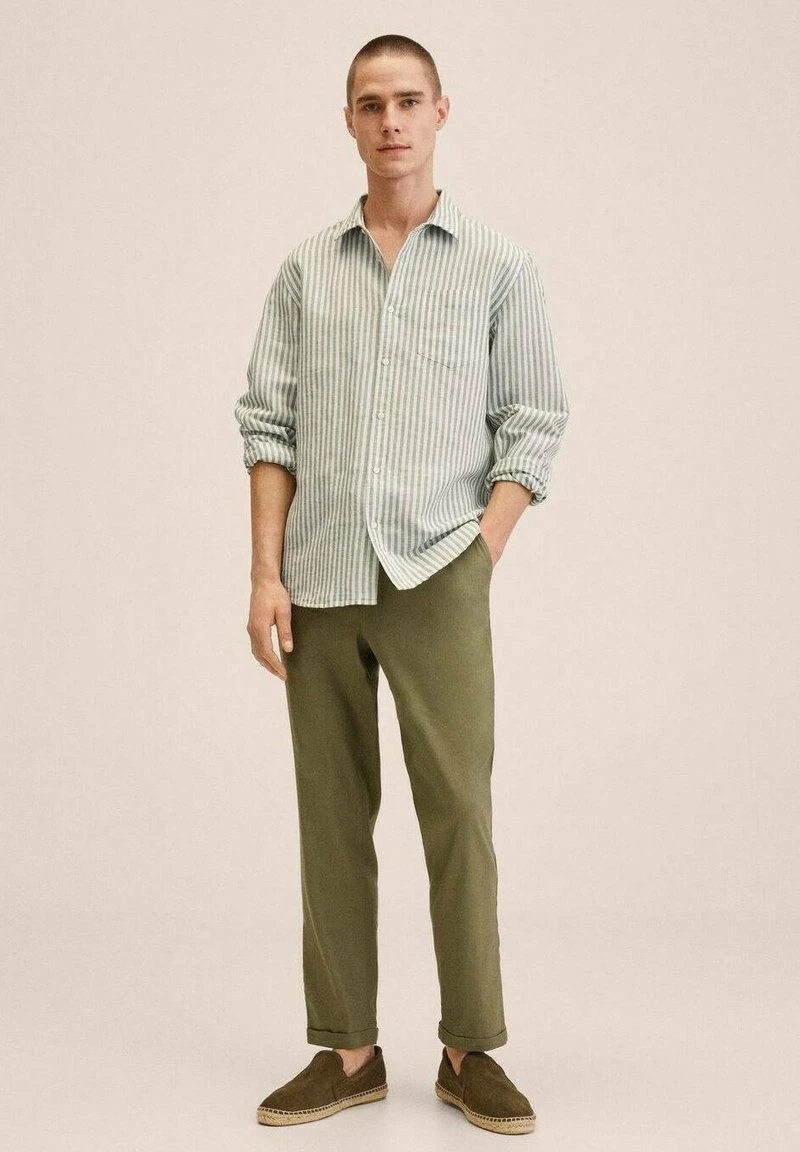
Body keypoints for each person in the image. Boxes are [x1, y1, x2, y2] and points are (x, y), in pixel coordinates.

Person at [233, 34, 569, 1135]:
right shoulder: (305, 270)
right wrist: (265, 573)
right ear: (348, 119)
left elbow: (533, 420)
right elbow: (268, 426)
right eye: (371, 103)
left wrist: (481, 551)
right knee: (330, 815)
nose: (391, 121)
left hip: (437, 571)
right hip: (321, 578)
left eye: (408, 101)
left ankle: (471, 1048)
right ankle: (347, 1050)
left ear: (440, 113)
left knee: (459, 812)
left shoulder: (496, 264)